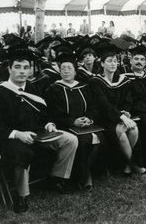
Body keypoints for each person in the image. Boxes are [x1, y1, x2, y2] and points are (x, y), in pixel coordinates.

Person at [0, 49, 78, 213]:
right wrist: (17, 134)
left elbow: (43, 114)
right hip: (9, 138)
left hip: (36, 133)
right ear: (9, 69)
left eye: (26, 68)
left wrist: (48, 124)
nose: (22, 71)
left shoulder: (32, 88)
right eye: (17, 67)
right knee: (21, 152)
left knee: (70, 140)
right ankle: (21, 195)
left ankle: (57, 178)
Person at [45, 52, 103, 192]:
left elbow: (94, 106)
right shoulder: (53, 89)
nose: (66, 71)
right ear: (59, 71)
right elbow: (53, 112)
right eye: (63, 68)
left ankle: (88, 171)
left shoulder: (84, 86)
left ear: (75, 71)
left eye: (69, 68)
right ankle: (82, 176)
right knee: (83, 140)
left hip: (86, 125)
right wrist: (73, 121)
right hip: (66, 126)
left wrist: (89, 118)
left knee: (101, 137)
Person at [89, 44, 146, 175]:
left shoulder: (123, 80)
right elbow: (104, 105)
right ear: (102, 64)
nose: (113, 64)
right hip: (105, 118)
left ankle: (127, 164)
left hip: (121, 116)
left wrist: (126, 112)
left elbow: (128, 100)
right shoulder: (96, 82)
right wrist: (122, 117)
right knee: (121, 131)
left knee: (134, 129)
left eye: (115, 61)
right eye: (109, 61)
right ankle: (132, 164)